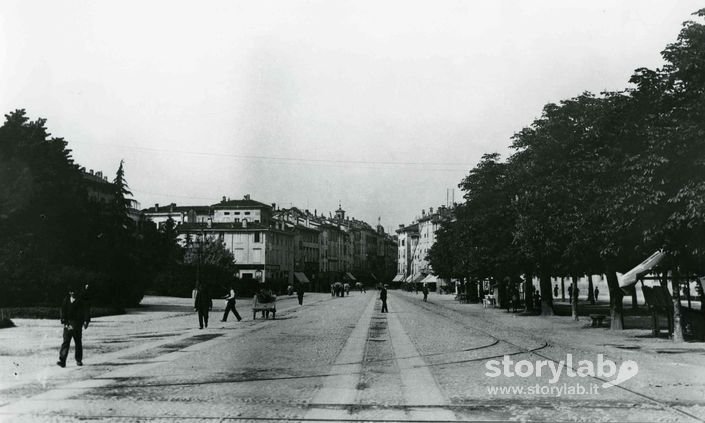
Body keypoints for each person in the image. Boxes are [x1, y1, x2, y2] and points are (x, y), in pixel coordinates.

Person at [57, 286, 90, 367]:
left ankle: (78, 360)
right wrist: (64, 321)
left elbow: (86, 311)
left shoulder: (81, 301)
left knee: (78, 342)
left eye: (74, 292)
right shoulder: (66, 300)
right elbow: (62, 311)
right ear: (69, 293)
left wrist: (86, 321)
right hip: (68, 324)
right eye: (71, 292)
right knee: (66, 342)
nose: (73, 293)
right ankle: (62, 360)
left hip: (77, 324)